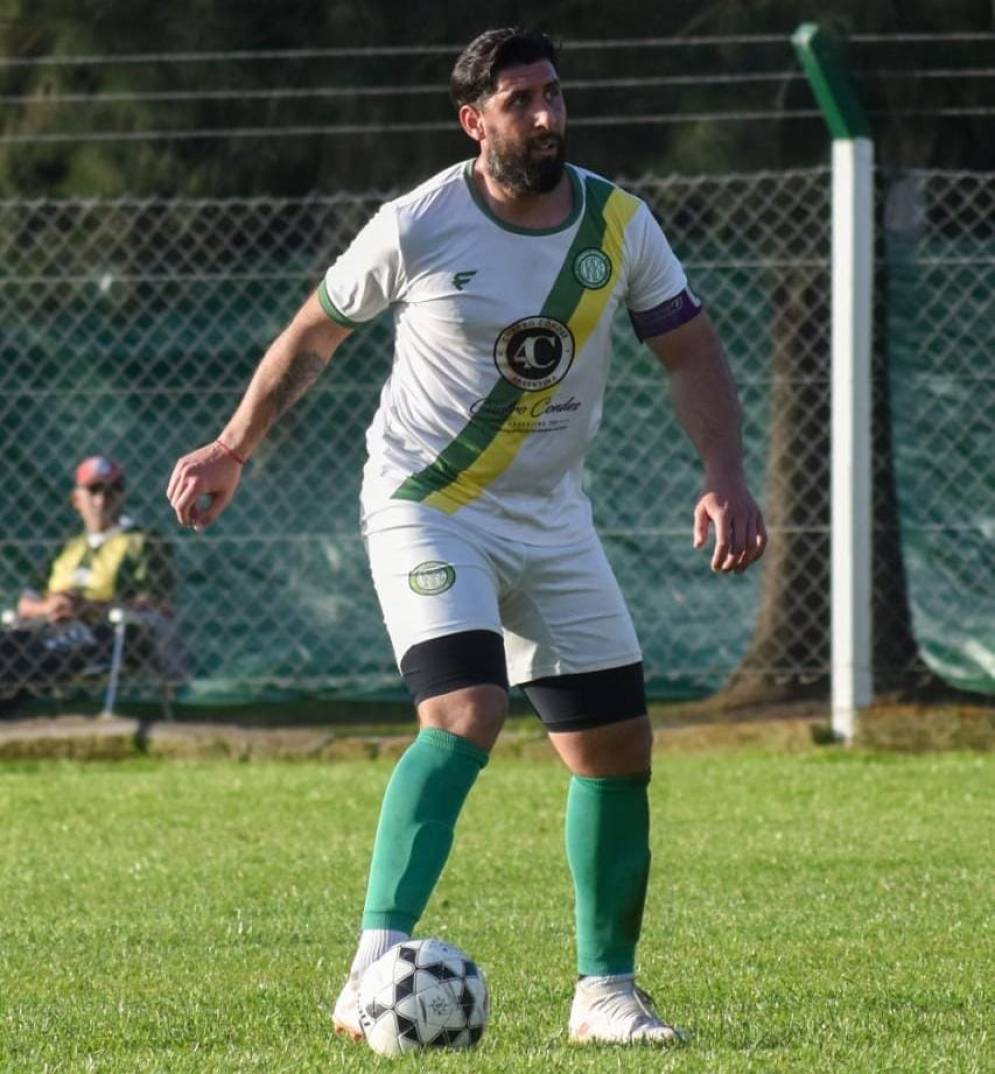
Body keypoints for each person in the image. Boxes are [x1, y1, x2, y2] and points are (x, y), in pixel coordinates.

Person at [166, 28, 766, 1047]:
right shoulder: (418, 222)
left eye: (551, 93)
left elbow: (688, 350)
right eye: (518, 100)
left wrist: (724, 474)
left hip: (553, 516)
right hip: (427, 503)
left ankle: (604, 996)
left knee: (615, 750)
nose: (544, 115)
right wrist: (232, 446)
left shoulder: (617, 223)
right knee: (466, 708)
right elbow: (313, 332)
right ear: (472, 121)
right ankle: (371, 966)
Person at [1, 455, 176, 714]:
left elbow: (156, 604)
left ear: (122, 496)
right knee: (9, 643)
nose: (102, 500)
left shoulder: (142, 542)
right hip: (47, 625)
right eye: (94, 490)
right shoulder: (67, 546)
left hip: (105, 632)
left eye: (112, 490)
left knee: (40, 654)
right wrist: (50, 607)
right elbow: (26, 601)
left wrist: (88, 607)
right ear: (76, 499)